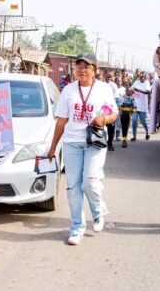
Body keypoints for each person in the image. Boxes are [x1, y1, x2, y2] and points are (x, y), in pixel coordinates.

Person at [48, 53, 118, 246]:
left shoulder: (103, 89)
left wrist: (103, 119)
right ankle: (77, 228)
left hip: (94, 142)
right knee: (73, 188)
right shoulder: (68, 91)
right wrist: (53, 147)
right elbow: (61, 121)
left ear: (94, 69)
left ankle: (97, 212)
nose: (81, 70)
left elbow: (113, 113)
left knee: (89, 181)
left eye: (86, 66)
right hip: (72, 143)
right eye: (78, 66)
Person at [131, 72, 151, 141]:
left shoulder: (147, 83)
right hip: (135, 106)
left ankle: (147, 132)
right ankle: (134, 136)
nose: (142, 77)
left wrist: (138, 90)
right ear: (139, 76)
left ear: (145, 77)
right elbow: (132, 90)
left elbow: (148, 92)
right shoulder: (136, 82)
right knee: (134, 120)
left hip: (143, 106)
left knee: (143, 121)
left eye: (144, 76)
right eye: (141, 76)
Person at [103, 69, 118, 151]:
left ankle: (110, 144)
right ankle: (101, 142)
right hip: (100, 110)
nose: (109, 78)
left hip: (110, 110)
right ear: (104, 75)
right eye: (108, 76)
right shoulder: (99, 84)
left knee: (111, 128)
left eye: (111, 77)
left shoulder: (114, 86)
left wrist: (111, 110)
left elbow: (115, 99)